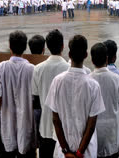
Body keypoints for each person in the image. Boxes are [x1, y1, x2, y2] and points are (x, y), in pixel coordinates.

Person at [45, 35, 105, 158]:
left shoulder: (57, 82)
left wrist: (66, 150)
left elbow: (56, 120)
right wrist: (79, 152)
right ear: (86, 55)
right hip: (86, 152)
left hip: (63, 153)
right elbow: (91, 124)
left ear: (70, 54)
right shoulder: (93, 85)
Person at [0, 31, 36, 157]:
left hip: (8, 127)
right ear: (25, 47)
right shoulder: (32, 69)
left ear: (9, 46)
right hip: (26, 126)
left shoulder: (1, 68)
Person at [32, 29, 69, 158]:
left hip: (46, 127)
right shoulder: (69, 69)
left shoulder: (38, 69)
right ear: (63, 46)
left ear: (47, 47)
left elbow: (35, 99)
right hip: (66, 130)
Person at [90, 43, 119, 158]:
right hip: (113, 136)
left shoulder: (88, 80)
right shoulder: (117, 79)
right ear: (107, 59)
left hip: (93, 137)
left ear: (92, 60)